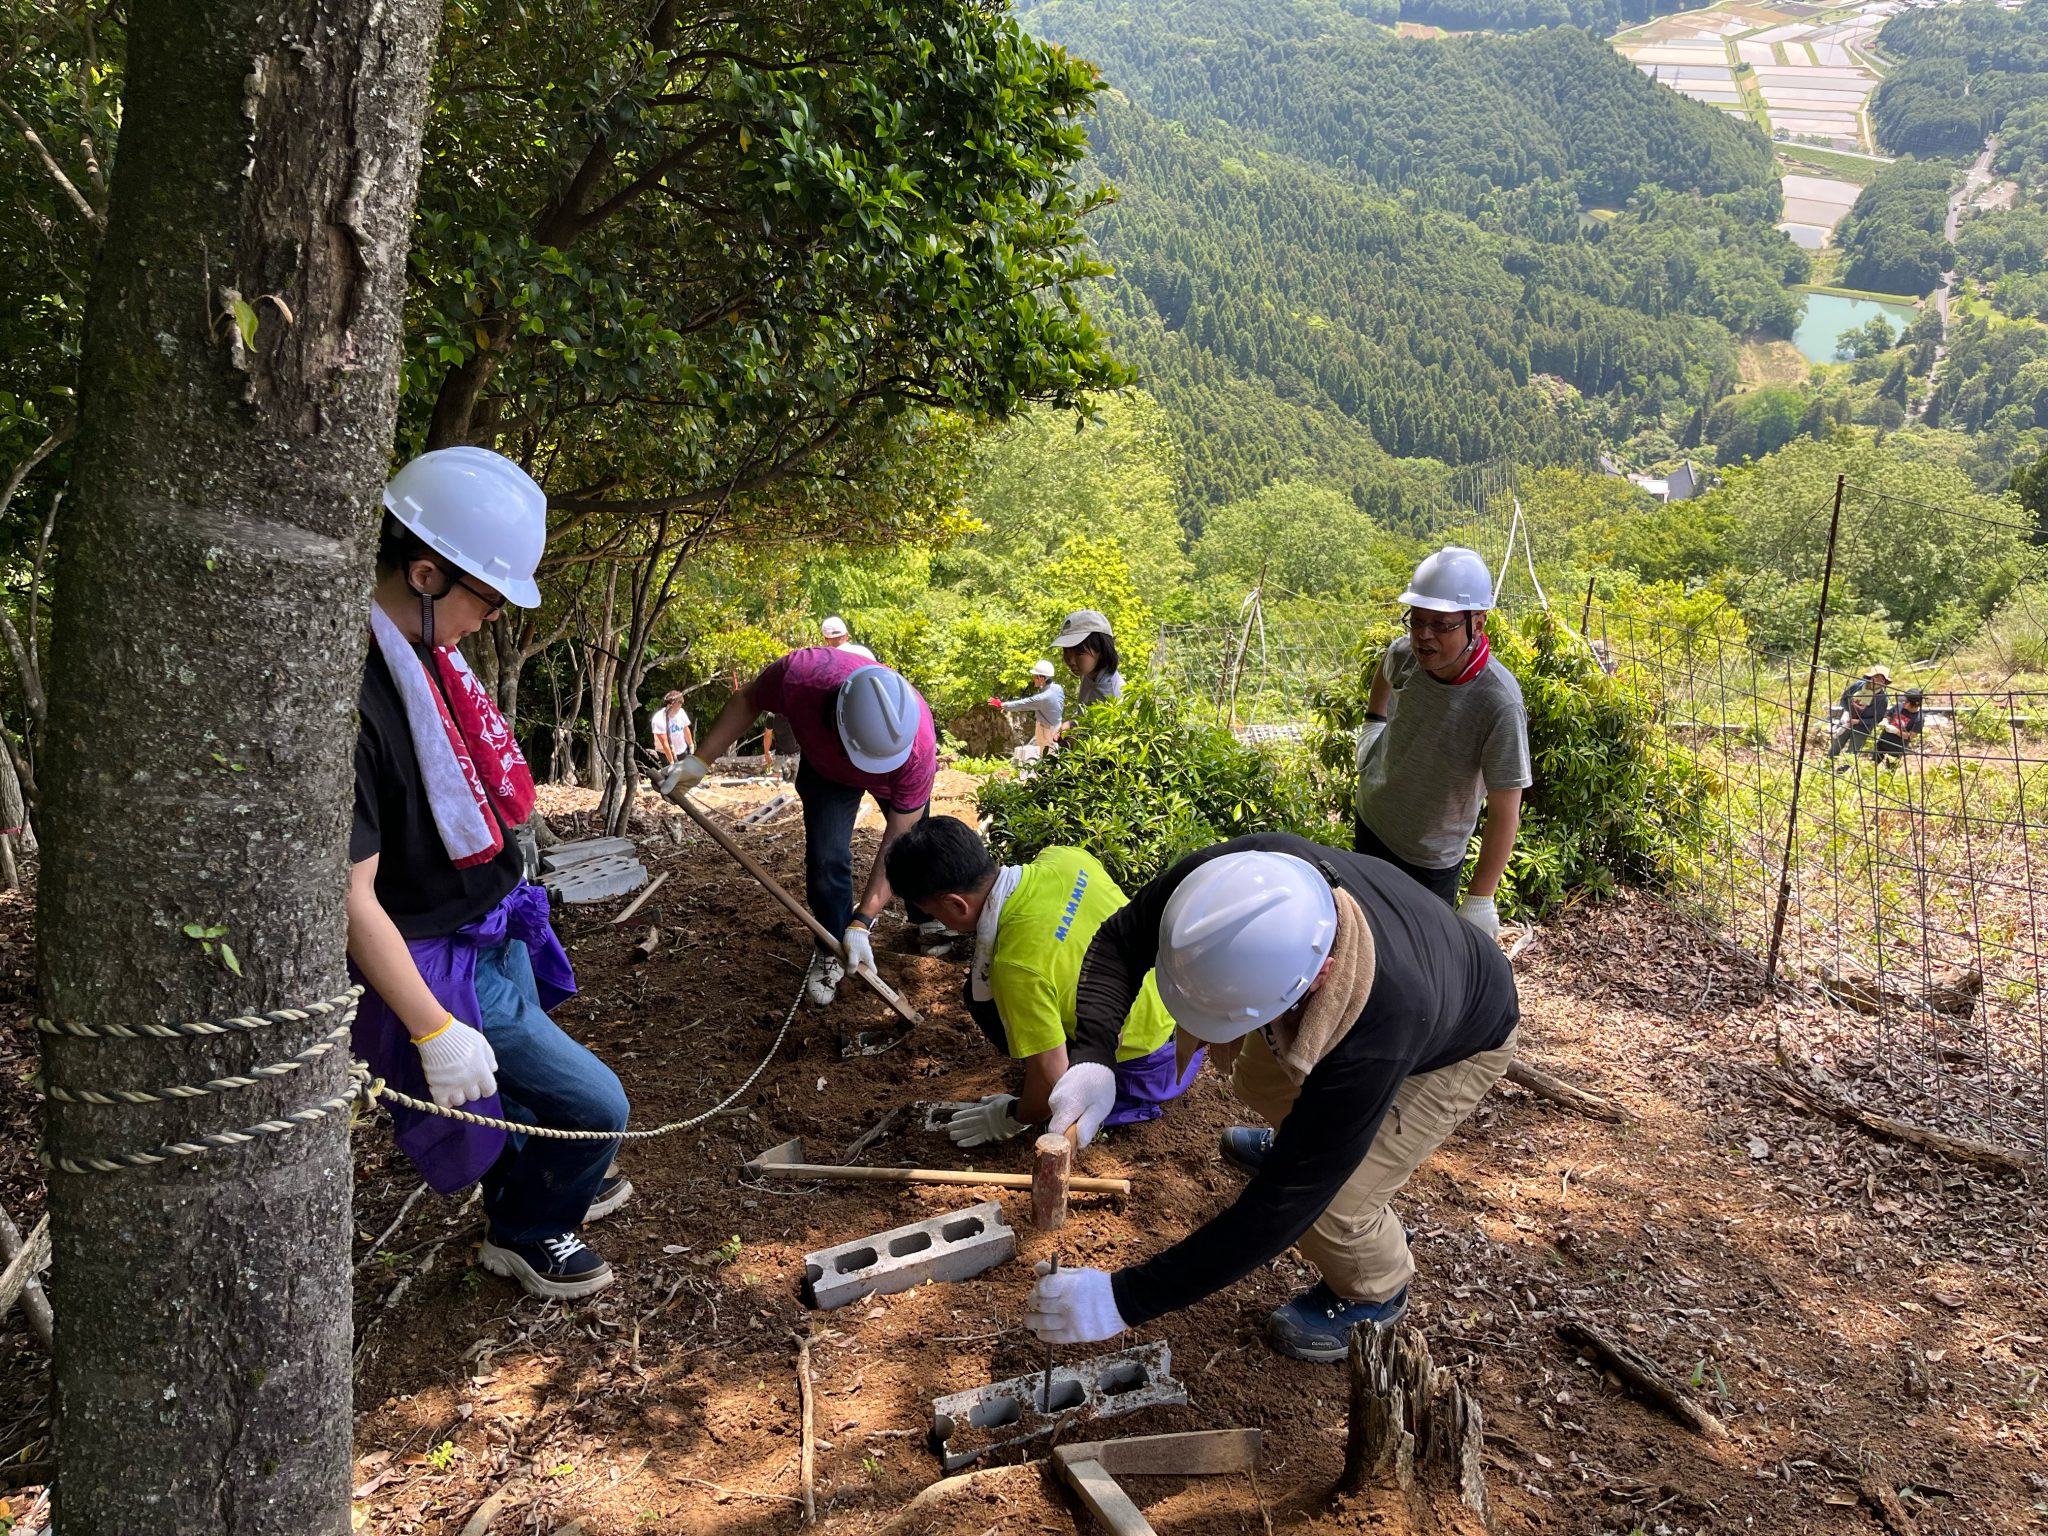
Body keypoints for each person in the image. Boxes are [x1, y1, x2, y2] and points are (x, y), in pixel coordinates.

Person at [1025, 834, 1519, 1362]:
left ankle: (1375, 1290)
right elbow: (1122, 941)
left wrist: (1123, 1300)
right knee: (1256, 1078)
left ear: (1311, 984)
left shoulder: (1378, 1036)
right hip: (1415, 978)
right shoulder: (1233, 883)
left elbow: (1285, 1205)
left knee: (1331, 1209)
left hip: (1461, 1043)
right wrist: (1095, 1058)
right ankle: (1304, 1138)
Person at [350, 447, 629, 1300]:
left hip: (493, 918)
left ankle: (536, 1183)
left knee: (530, 1092)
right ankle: (528, 1229)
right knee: (596, 1107)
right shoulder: (356, 700)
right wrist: (432, 1027)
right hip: (440, 952)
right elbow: (346, 894)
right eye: (491, 598)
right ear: (428, 574)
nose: (495, 619)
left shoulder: (432, 661)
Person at [883, 818, 1202, 1147]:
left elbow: (1053, 1078)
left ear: (955, 904)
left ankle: (1112, 1094)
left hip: (1146, 1069)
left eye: (935, 914)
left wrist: (1013, 1115)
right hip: (1183, 1022)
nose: (939, 922)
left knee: (986, 999)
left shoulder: (1016, 967)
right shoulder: (1065, 858)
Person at [666, 648, 939, 1003]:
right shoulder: (802, 676)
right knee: (825, 859)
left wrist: (865, 918)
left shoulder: (917, 747)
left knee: (919, 850)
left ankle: (930, 916)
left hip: (896, 778)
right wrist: (700, 761)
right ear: (837, 720)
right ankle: (831, 943)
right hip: (827, 771)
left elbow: (898, 840)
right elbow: (748, 698)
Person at [1353, 547, 1530, 936]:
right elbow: (1385, 670)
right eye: (1416, 621)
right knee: (1364, 941)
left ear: (1477, 622)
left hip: (1429, 859)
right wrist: (1373, 723)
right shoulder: (1406, 656)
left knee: (1421, 968)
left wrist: (1480, 897)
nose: (1423, 636)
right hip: (1372, 821)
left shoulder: (1498, 702)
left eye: (1441, 624)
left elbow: (1505, 809)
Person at [1054, 609, 1125, 709]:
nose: (1070, 660)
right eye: (1066, 651)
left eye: (1079, 653)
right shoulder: (1089, 674)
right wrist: (1073, 722)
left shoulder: (1112, 696)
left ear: (1101, 650)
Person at [990, 660, 1066, 752]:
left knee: (1048, 758)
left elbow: (1023, 704)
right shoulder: (1058, 688)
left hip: (1047, 731)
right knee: (1051, 754)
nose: (1033, 679)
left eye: (1035, 676)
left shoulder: (1043, 698)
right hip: (1055, 727)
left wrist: (1002, 705)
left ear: (1042, 678)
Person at [1828, 664, 1890, 770]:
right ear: (1870, 677)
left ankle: (1840, 772)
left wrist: (1858, 722)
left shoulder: (1882, 698)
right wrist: (1847, 712)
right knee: (1836, 744)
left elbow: (1877, 719)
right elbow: (1843, 699)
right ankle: (1826, 767)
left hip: (1862, 728)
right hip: (1846, 720)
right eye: (1875, 677)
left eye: (1881, 679)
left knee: (1852, 752)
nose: (1877, 681)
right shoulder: (1858, 686)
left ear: (1884, 682)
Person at [1871, 686, 1925, 768]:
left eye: (1905, 701)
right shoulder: (1899, 706)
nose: (1903, 703)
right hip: (1883, 741)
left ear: (1913, 704)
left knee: (1890, 769)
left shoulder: (1918, 718)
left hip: (1897, 747)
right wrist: (1885, 721)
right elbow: (1888, 716)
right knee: (1873, 764)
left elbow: (1910, 736)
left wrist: (1896, 731)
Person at [650, 689, 694, 764]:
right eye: (678, 706)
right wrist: (672, 761)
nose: (680, 708)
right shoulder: (658, 719)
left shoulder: (681, 712)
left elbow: (685, 729)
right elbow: (665, 744)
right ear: (670, 705)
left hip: (682, 751)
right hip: (665, 754)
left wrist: (691, 745)